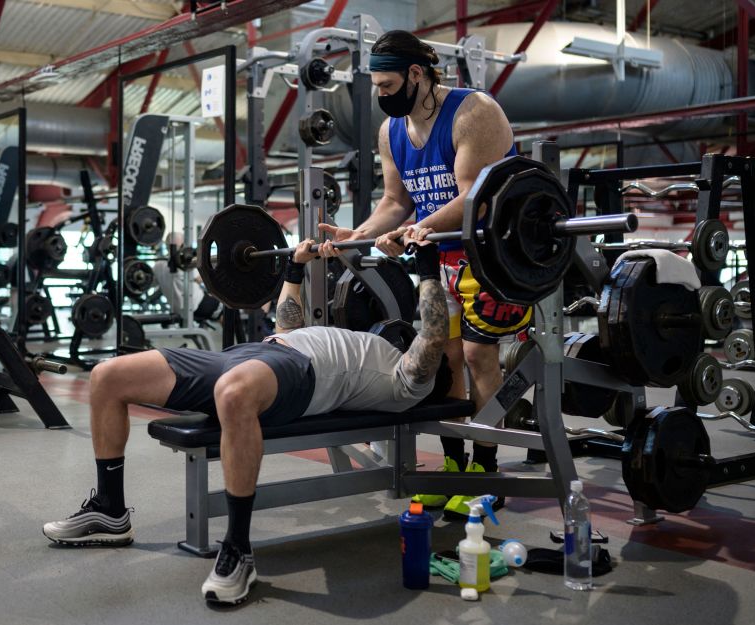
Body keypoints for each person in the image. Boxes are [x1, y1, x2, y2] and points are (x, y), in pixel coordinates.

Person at [42, 232, 450, 605]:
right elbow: (288, 324)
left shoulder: (409, 383)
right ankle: (110, 511)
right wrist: (296, 266)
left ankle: (238, 549)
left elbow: (432, 335)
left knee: (232, 393)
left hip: (300, 377)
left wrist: (427, 264)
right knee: (107, 377)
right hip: (253, 353)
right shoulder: (361, 340)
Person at [317, 30, 529, 517]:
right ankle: (455, 466)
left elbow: (475, 196)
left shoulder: (474, 112)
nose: (381, 95)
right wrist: (358, 235)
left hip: (493, 254)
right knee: (445, 358)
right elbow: (396, 202)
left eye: (388, 84)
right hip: (441, 257)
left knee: (478, 356)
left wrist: (417, 229)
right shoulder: (390, 133)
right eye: (377, 85)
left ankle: (485, 469)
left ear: (417, 74)